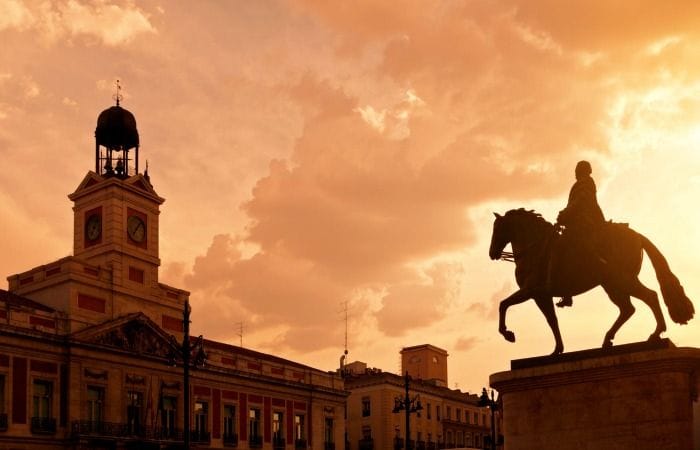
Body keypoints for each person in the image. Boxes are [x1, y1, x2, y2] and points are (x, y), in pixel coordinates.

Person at [554, 160, 606, 307]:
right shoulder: (585, 183)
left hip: (583, 224)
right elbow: (575, 204)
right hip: (578, 222)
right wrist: (563, 216)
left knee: (560, 247)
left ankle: (566, 293)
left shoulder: (585, 183)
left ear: (583, 170)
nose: (575, 172)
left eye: (577, 169)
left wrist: (564, 214)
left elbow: (579, 202)